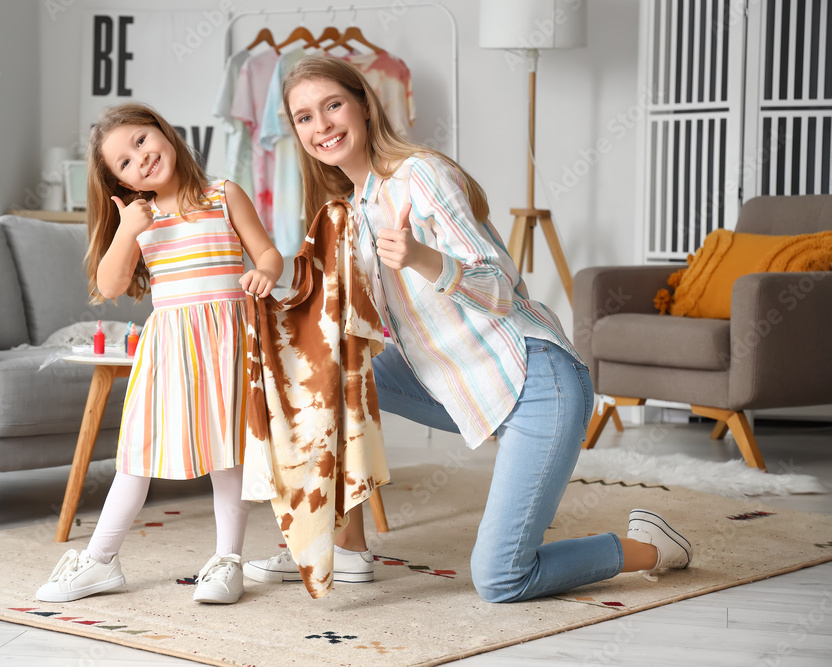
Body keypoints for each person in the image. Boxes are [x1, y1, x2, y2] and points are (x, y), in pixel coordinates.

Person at [243, 56, 692, 602]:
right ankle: (346, 545)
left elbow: (502, 287)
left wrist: (423, 257)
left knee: (501, 578)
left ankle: (651, 546)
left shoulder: (421, 175)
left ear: (363, 103)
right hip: (460, 381)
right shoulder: (353, 207)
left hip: (535, 381)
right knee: (328, 377)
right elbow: (345, 316)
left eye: (332, 105)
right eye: (305, 117)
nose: (322, 126)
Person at [36, 103, 283, 605]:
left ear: (164, 133)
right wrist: (128, 228)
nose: (140, 159)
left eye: (142, 142)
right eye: (124, 163)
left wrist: (266, 274)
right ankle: (100, 561)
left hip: (228, 342)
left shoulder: (223, 194)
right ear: (119, 183)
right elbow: (109, 284)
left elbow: (268, 251)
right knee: (137, 453)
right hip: (170, 347)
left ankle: (227, 561)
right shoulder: (138, 219)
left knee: (226, 454)